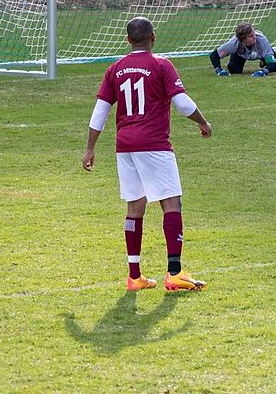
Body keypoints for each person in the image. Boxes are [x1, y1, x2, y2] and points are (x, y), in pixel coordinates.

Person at [83, 16, 212, 292]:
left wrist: (90, 148)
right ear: (153, 38)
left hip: (125, 147)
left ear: (128, 40)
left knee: (134, 207)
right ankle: (175, 273)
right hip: (154, 145)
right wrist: (202, 121)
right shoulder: (161, 65)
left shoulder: (114, 69)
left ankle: (134, 277)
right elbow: (181, 102)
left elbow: (100, 111)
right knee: (171, 204)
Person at [210, 22, 276, 77]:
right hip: (241, 54)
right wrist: (219, 70)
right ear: (242, 39)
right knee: (234, 70)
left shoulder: (261, 39)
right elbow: (214, 55)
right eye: (250, 36)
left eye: (254, 33)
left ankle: (263, 60)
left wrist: (263, 71)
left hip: (261, 52)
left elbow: (274, 63)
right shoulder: (234, 43)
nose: (254, 37)